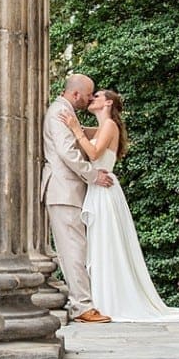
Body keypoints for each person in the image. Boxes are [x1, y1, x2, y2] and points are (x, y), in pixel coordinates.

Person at [59, 90, 179, 322]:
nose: (91, 98)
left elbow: (93, 153)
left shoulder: (110, 125)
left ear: (108, 102)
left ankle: (109, 302)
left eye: (97, 96)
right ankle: (98, 299)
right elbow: (85, 137)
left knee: (106, 244)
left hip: (104, 190)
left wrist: (75, 128)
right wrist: (75, 128)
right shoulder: (104, 127)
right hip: (98, 190)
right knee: (100, 245)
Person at [41, 74, 114, 323]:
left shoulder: (66, 112)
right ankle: (81, 307)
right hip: (64, 190)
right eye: (87, 94)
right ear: (75, 94)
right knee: (73, 249)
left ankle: (83, 303)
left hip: (69, 190)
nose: (90, 99)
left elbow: (85, 136)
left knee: (77, 248)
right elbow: (68, 153)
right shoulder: (59, 112)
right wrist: (93, 175)